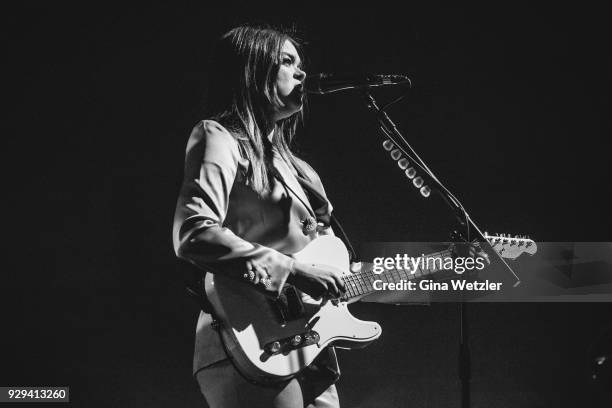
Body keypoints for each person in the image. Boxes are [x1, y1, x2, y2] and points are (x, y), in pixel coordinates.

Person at [172, 24, 347, 408]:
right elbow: (194, 232)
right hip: (246, 342)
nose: (302, 73)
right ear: (252, 70)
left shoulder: (300, 169)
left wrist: (405, 275)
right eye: (287, 61)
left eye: (301, 63)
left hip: (308, 347)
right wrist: (293, 271)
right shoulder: (218, 136)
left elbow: (327, 259)